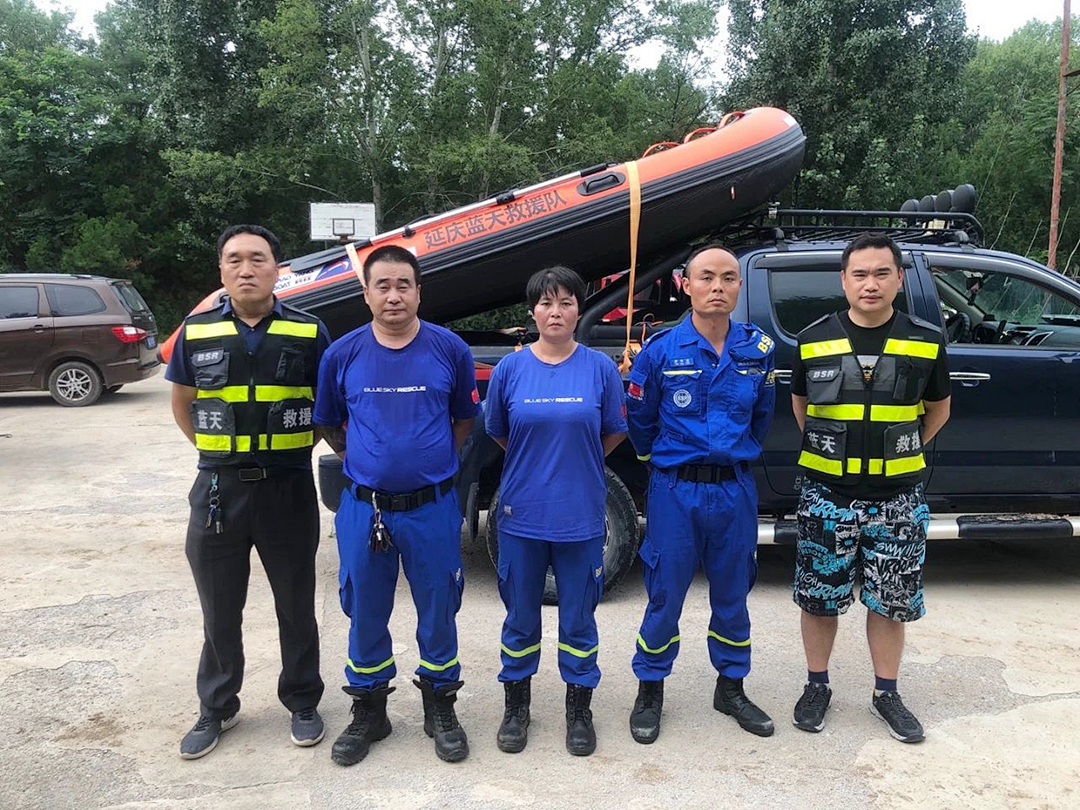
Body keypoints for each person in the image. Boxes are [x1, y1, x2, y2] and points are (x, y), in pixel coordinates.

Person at [314, 244, 480, 766]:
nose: (393, 296)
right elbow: (329, 422)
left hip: (432, 507)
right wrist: (370, 465)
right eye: (382, 286)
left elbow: (464, 420)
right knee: (364, 609)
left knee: (439, 609)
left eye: (403, 285)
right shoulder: (342, 354)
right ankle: (369, 712)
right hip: (365, 509)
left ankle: (440, 708)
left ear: (418, 292)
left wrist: (425, 464)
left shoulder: (449, 349)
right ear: (366, 294)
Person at [168, 224, 330, 759]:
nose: (245, 268)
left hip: (288, 488)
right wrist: (219, 452)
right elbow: (183, 403)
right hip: (219, 489)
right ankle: (216, 706)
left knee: (296, 604)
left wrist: (290, 452)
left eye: (257, 258)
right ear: (221, 269)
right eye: (234, 259)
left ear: (278, 269)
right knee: (219, 608)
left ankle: (302, 700)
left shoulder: (309, 330)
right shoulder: (196, 331)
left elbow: (327, 406)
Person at [790, 233, 951, 743]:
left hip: (897, 497)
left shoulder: (925, 340)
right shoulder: (813, 338)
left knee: (890, 602)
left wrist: (897, 452)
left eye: (882, 273)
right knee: (819, 599)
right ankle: (817, 685)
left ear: (899, 278)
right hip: (826, 495)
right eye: (860, 274)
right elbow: (801, 406)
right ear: (843, 280)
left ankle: (886, 694)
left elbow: (939, 410)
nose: (871, 283)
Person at [625, 244, 776, 743]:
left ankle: (731, 688)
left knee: (733, 593)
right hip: (676, 492)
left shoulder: (758, 350)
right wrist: (662, 464)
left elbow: (762, 417)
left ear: (739, 286)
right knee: (664, 594)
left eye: (728, 278)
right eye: (706, 277)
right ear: (685, 285)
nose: (717, 287)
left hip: (734, 491)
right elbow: (640, 421)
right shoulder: (660, 351)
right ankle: (650, 689)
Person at [484, 266, 627, 757]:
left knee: (579, 619)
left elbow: (614, 430)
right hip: (521, 515)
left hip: (580, 515)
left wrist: (578, 463)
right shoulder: (511, 369)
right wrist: (537, 465)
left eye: (566, 302)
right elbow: (498, 431)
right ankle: (516, 707)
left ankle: (578, 709)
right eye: (546, 303)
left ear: (578, 310)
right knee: (520, 618)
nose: (556, 312)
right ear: (533, 312)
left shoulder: (599, 368)